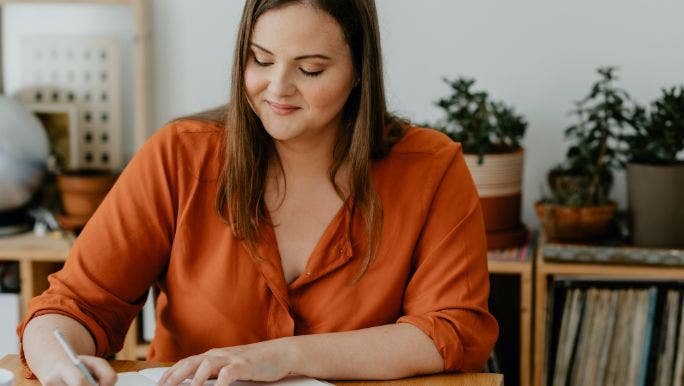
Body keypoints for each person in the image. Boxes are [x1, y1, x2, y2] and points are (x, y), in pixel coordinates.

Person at [19, 0, 498, 385]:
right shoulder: (180, 156)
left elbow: (452, 329)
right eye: (261, 60)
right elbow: (73, 306)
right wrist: (59, 363)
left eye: (310, 69)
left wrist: (283, 356)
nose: (277, 88)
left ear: (359, 72)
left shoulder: (431, 168)